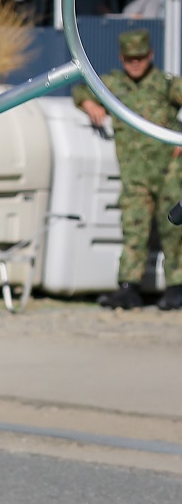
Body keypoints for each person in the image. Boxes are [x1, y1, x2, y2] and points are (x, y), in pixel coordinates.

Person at [73, 29, 182, 310]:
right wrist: (88, 102)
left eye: (141, 58)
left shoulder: (165, 84)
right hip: (135, 174)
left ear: (151, 55)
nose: (136, 64)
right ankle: (128, 287)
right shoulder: (111, 84)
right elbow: (80, 87)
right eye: (130, 59)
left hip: (170, 170)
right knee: (134, 228)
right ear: (122, 58)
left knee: (174, 231)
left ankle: (176, 287)